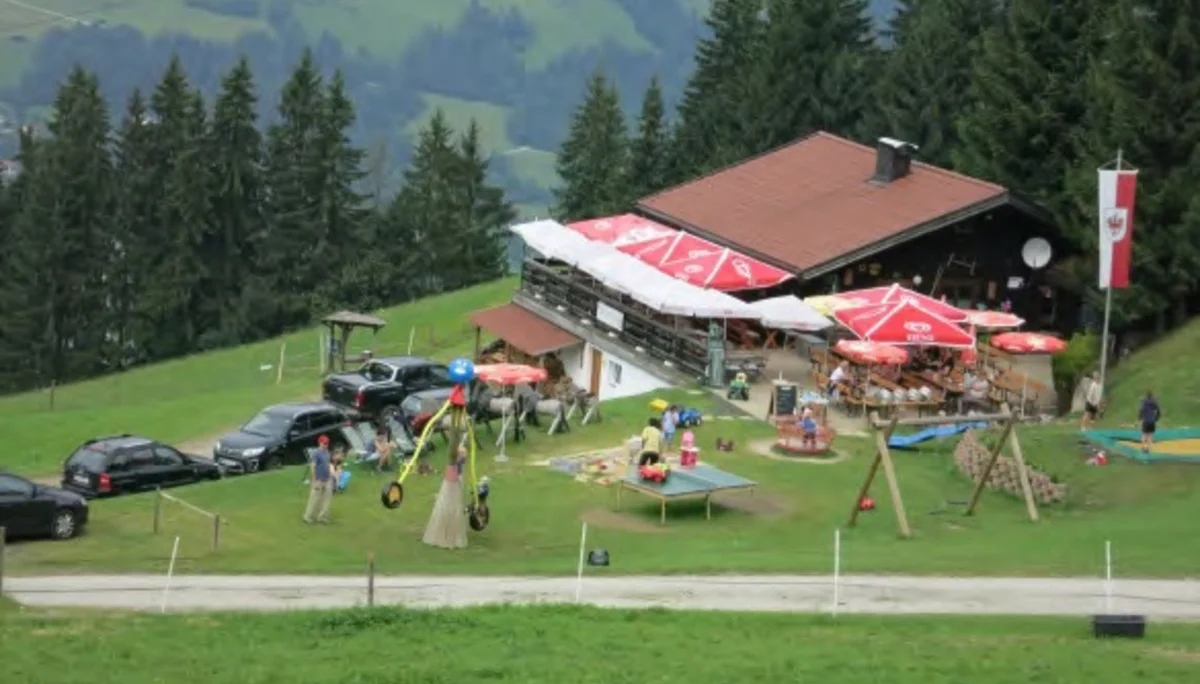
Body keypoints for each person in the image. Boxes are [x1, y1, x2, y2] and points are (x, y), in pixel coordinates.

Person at [303, 435, 334, 524]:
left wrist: (331, 475)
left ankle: (322, 517)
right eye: (324, 443)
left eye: (327, 443)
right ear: (320, 443)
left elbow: (328, 464)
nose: (326, 445)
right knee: (314, 498)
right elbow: (313, 466)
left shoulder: (327, 453)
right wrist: (314, 481)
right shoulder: (316, 453)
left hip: (327, 478)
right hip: (319, 480)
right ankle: (307, 517)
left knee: (327, 499)